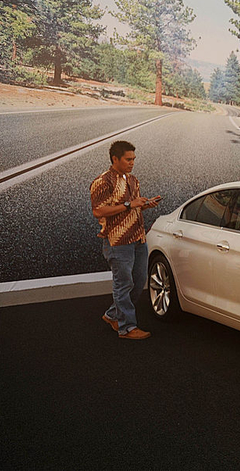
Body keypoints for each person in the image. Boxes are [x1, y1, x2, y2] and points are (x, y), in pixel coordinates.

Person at [90, 141, 160, 340]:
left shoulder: (133, 180)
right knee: (123, 284)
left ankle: (113, 315)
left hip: (138, 238)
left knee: (138, 281)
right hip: (118, 241)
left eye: (133, 159)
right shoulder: (103, 181)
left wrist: (144, 205)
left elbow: (133, 206)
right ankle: (126, 327)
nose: (132, 163)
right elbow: (98, 211)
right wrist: (130, 204)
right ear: (115, 159)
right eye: (128, 159)